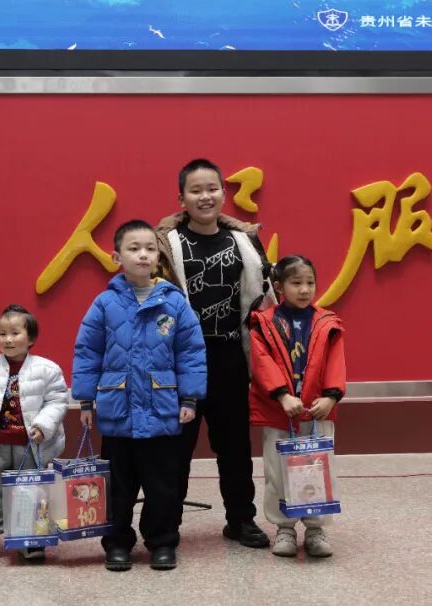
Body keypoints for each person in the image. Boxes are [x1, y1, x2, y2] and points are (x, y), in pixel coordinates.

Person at [72, 219, 206, 571]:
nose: (143, 255)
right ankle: (117, 543)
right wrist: (85, 400)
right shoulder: (105, 303)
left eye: (150, 248)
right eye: (134, 249)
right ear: (117, 257)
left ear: (159, 256)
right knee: (118, 487)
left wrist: (189, 398)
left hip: (162, 412)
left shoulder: (175, 303)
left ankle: (162, 541)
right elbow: (87, 352)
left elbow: (191, 352)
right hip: (117, 412)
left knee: (164, 486)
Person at [155, 158, 275, 548]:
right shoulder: (165, 245)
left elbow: (264, 299)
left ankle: (241, 520)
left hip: (229, 355)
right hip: (181, 360)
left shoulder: (243, 241)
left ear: (223, 193)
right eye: (196, 190)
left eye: (212, 189)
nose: (205, 196)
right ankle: (167, 527)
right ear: (182, 199)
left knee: (235, 446)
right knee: (175, 447)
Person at [249, 255, 346, 558]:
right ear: (279, 287)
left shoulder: (327, 323)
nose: (305, 290)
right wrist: (282, 396)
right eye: (296, 283)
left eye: (310, 283)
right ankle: (285, 529)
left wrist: (331, 396)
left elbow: (336, 362)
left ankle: (315, 530)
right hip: (280, 413)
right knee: (278, 472)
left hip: (317, 411)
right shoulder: (264, 323)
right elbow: (262, 363)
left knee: (319, 469)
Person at [0, 304, 68, 564]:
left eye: (15, 333)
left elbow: (57, 401)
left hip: (31, 445)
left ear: (31, 338)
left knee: (31, 491)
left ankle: (29, 538)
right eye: (2, 333)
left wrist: (43, 425)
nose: (8, 339)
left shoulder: (47, 369)